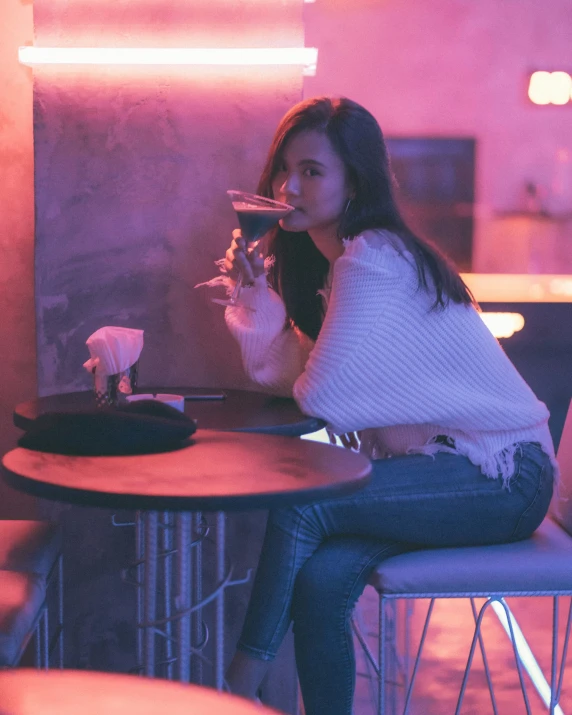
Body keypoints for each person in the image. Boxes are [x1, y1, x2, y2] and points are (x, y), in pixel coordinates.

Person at [198, 96, 557, 715]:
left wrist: (284, 336)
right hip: (450, 471)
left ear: (354, 180)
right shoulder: (350, 263)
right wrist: (256, 300)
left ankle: (237, 686)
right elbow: (309, 382)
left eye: (312, 171)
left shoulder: (372, 260)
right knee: (322, 580)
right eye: (286, 169)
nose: (289, 186)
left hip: (504, 474)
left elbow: (321, 394)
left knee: (302, 506)